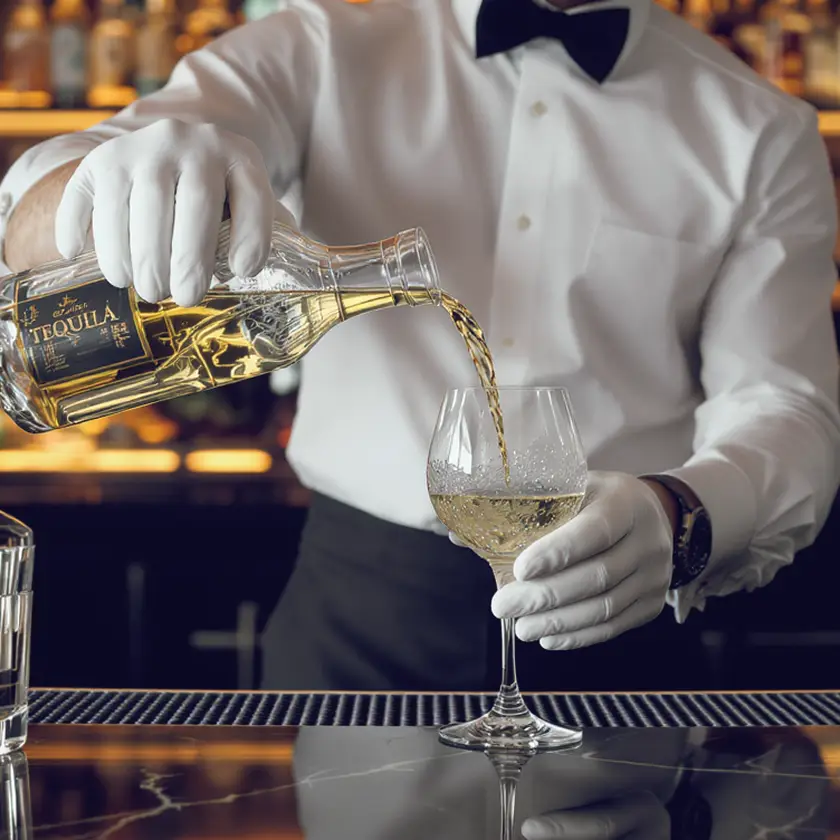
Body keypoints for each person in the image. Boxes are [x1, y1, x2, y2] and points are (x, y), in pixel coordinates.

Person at [1, 0, 839, 692]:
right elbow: (30, 222)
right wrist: (103, 176)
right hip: (358, 617)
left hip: (621, 618)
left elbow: (788, 408)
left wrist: (681, 516)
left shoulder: (761, 128)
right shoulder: (322, 43)